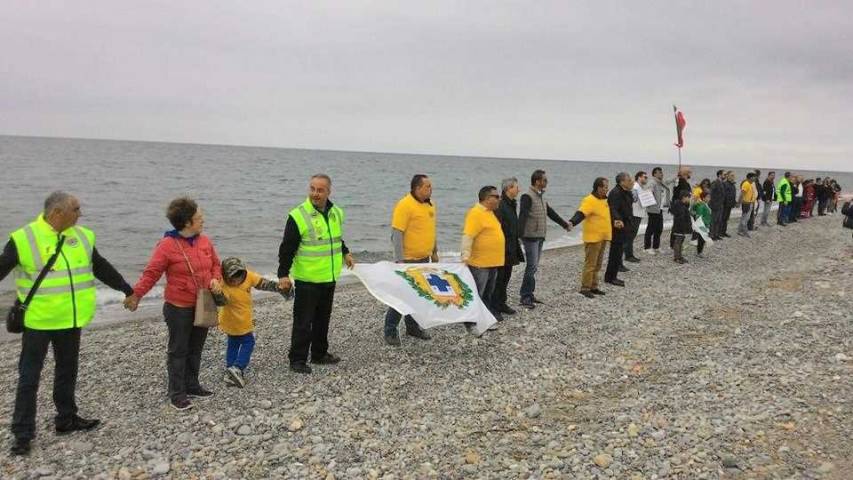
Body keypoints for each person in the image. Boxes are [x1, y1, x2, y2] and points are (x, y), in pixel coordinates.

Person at [0, 192, 135, 456]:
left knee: (67, 370)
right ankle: (22, 433)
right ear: (57, 213)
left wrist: (127, 289)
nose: (80, 213)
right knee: (29, 377)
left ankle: (66, 418)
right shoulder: (23, 238)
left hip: (71, 319)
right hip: (38, 321)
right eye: (75, 209)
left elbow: (100, 266)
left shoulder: (83, 236)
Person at [125, 197, 222, 411]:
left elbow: (216, 264)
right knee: (179, 350)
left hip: (203, 302)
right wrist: (136, 295)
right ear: (187, 222)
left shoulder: (204, 240)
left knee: (196, 347)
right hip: (178, 307)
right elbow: (152, 273)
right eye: (199, 217)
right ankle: (177, 392)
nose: (203, 219)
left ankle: (192, 384)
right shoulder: (167, 245)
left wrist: (216, 279)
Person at [277, 174, 355, 374]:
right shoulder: (298, 215)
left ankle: (320, 353)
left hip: (329, 277)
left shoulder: (336, 212)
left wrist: (345, 252)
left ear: (329, 191)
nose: (315, 194)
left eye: (320, 190)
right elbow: (287, 248)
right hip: (307, 279)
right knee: (304, 322)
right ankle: (297, 359)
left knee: (323, 319)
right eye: (312, 189)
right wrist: (283, 274)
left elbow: (335, 238)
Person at [383, 174, 436, 346]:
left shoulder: (430, 205)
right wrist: (400, 261)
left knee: (417, 296)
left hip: (424, 258)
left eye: (430, 186)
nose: (430, 189)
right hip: (407, 260)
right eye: (427, 186)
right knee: (402, 296)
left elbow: (431, 230)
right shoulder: (405, 204)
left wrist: (434, 251)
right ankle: (390, 330)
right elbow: (397, 234)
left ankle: (412, 327)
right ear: (417, 188)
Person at [218, 257, 287, 388]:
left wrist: (279, 287)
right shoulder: (223, 285)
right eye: (232, 277)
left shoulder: (248, 276)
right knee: (248, 342)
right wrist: (215, 291)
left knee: (233, 343)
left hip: (230, 321)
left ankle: (230, 370)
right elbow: (221, 300)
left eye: (238, 276)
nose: (236, 280)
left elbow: (262, 283)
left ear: (243, 272)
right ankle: (238, 367)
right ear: (226, 276)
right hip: (237, 321)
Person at [517, 169, 570, 308]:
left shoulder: (541, 196)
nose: (547, 182)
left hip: (540, 236)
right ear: (537, 181)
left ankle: (530, 293)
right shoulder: (527, 196)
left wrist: (565, 224)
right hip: (530, 237)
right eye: (544, 180)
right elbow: (522, 216)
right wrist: (518, 236)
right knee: (531, 266)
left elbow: (550, 213)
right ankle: (525, 296)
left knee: (534, 267)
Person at [461, 186, 505, 328]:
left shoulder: (491, 213)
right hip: (480, 263)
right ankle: (471, 322)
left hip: (493, 262)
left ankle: (484, 319)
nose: (499, 199)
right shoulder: (476, 213)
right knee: (477, 293)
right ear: (487, 198)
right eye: (496, 196)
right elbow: (468, 236)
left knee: (488, 293)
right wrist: (465, 257)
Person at [567, 177, 611, 298]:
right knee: (590, 264)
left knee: (598, 264)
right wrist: (572, 222)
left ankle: (594, 286)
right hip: (593, 238)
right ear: (599, 188)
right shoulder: (589, 200)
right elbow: (581, 213)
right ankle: (585, 287)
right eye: (605, 187)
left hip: (603, 236)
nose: (607, 189)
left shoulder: (605, 200)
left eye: (607, 187)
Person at [493, 177, 524, 316]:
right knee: (499, 278)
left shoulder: (512, 204)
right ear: (508, 189)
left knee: (506, 277)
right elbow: (498, 227)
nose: (519, 189)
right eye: (516, 187)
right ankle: (494, 306)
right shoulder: (500, 205)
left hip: (511, 247)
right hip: (502, 248)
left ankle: (501, 303)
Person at [604, 172, 633, 287]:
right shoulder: (616, 193)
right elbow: (612, 208)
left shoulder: (626, 192)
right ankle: (610, 277)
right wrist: (617, 219)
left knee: (619, 251)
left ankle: (613, 275)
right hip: (617, 226)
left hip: (625, 225)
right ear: (622, 182)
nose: (631, 181)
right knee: (615, 252)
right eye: (629, 180)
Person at [643, 167, 669, 254]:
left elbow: (667, 184)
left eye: (662, 172)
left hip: (660, 209)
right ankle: (647, 247)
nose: (662, 174)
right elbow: (647, 192)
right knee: (651, 228)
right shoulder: (652, 182)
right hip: (653, 209)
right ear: (654, 174)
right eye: (660, 172)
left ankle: (656, 246)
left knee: (659, 229)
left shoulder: (660, 183)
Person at [624, 171, 648, 263]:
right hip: (634, 214)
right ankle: (628, 255)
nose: (646, 179)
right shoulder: (635, 187)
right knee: (630, 235)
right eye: (644, 177)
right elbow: (633, 199)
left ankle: (628, 254)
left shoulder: (641, 187)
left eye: (646, 178)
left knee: (632, 235)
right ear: (639, 177)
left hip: (638, 213)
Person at [669, 167, 692, 248]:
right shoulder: (680, 181)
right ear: (684, 173)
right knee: (677, 226)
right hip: (679, 206)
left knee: (680, 225)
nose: (690, 174)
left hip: (683, 206)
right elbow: (677, 193)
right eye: (688, 172)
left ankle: (676, 244)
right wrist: (679, 176)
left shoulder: (684, 182)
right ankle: (674, 244)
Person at [670, 190, 693, 264]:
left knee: (680, 242)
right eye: (688, 197)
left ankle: (680, 256)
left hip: (682, 228)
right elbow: (680, 217)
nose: (689, 199)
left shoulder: (683, 205)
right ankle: (677, 257)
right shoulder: (679, 205)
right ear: (684, 197)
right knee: (678, 242)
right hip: (679, 227)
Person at [690, 191, 712, 257]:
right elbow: (699, 215)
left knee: (702, 238)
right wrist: (702, 224)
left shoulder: (705, 204)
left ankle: (699, 251)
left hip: (706, 223)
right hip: (703, 224)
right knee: (702, 238)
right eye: (707, 197)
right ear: (703, 198)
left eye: (709, 197)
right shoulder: (702, 205)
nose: (709, 198)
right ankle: (699, 252)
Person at [737, 172, 757, 237]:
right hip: (746, 203)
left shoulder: (750, 184)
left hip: (750, 203)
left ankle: (740, 230)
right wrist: (739, 203)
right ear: (750, 177)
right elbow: (741, 194)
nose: (755, 178)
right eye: (754, 177)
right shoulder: (746, 184)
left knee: (745, 218)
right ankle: (743, 231)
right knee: (745, 218)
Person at [709, 170, 726, 240]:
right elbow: (711, 194)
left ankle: (716, 234)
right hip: (715, 205)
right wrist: (713, 204)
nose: (725, 176)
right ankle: (712, 235)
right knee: (713, 221)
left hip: (720, 205)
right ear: (719, 175)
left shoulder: (722, 183)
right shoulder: (715, 183)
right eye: (724, 174)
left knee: (718, 220)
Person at [721, 171, 737, 237]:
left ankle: (723, 232)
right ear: (727, 176)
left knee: (726, 219)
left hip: (730, 205)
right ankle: (719, 232)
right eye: (731, 175)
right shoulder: (725, 184)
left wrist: (735, 202)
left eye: (733, 176)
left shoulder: (732, 184)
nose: (732, 177)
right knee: (722, 218)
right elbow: (723, 195)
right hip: (724, 205)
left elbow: (732, 195)